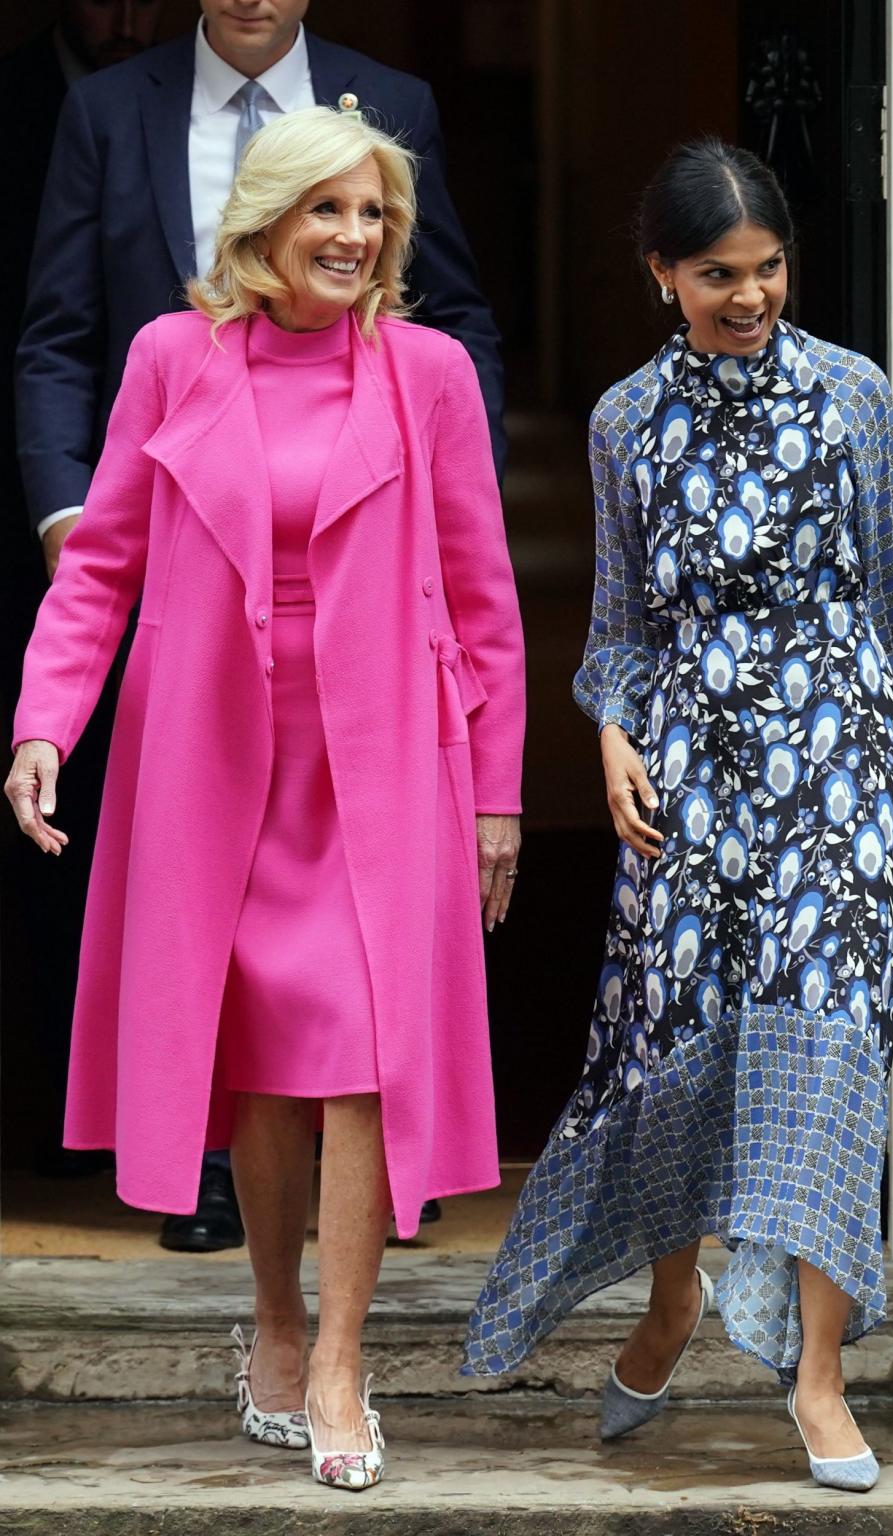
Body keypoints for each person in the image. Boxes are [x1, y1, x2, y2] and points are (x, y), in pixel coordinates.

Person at [7, 105, 524, 1490]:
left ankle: (344, 1358)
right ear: (265, 225)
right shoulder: (173, 359)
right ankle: (279, 1323)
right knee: (262, 1072)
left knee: (358, 1057)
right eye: (328, 212)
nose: (355, 237)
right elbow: (103, 562)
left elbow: (484, 597)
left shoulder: (428, 375)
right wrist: (46, 722)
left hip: (386, 757)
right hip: (213, 753)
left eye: (375, 216)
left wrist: (498, 795)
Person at [463, 138, 893, 1494]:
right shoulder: (624, 422)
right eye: (719, 272)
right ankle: (671, 1310)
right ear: (662, 273)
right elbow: (619, 623)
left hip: (838, 767)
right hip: (692, 776)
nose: (751, 295)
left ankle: (820, 1377)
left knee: (832, 1049)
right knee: (680, 1041)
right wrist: (610, 734)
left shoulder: (854, 394)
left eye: (770, 266)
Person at [0, 2, 165, 1179]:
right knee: (57, 820)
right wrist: (62, 508)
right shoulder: (42, 105)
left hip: (216, 538)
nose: (127, 17)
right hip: (67, 508)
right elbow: (49, 332)